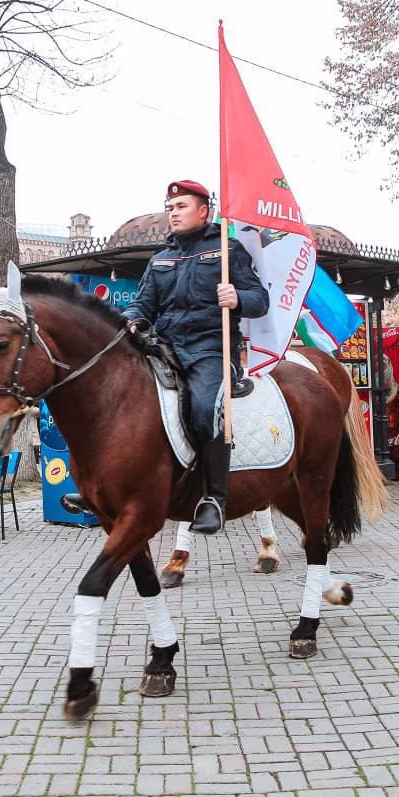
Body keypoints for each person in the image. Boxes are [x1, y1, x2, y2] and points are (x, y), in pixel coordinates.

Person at [121, 179, 268, 534]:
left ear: (204, 211)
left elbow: (260, 299)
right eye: (170, 207)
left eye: (181, 206)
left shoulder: (227, 250)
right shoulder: (160, 259)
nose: (173, 212)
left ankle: (214, 498)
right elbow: (144, 305)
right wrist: (129, 321)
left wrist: (237, 298)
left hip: (211, 349)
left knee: (203, 408)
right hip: (166, 348)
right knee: (120, 399)